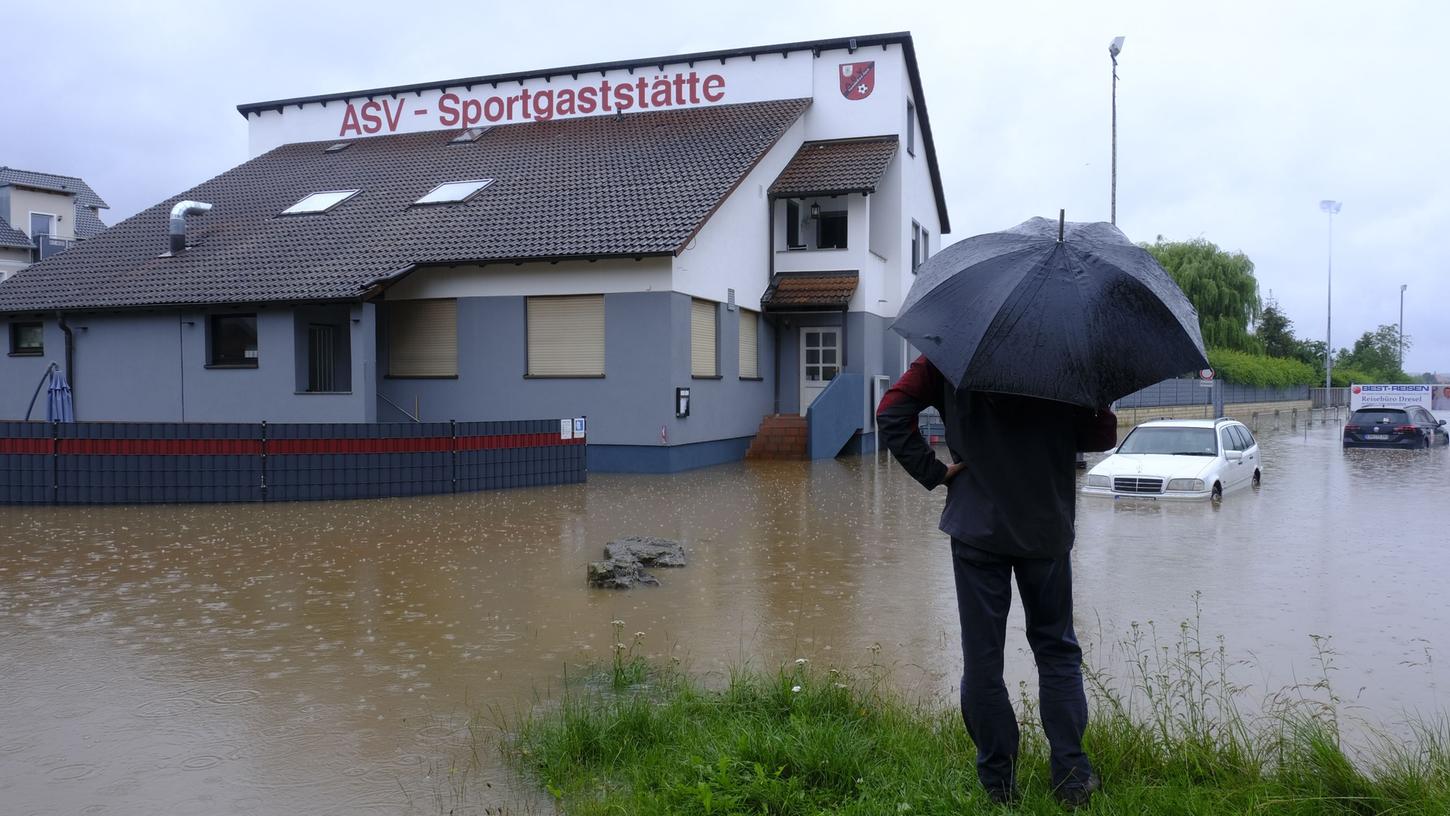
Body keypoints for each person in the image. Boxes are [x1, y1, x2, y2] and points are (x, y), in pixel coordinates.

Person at [876, 355, 1117, 808]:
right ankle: (1071, 777)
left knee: (982, 659)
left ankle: (998, 784)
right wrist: (1088, 394)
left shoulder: (948, 352)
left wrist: (933, 471)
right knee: (1057, 650)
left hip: (976, 527)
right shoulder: (1065, 357)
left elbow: (890, 412)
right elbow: (1101, 436)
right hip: (1044, 529)